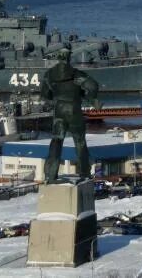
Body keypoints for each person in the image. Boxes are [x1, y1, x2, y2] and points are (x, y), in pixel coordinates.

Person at [41, 48, 101, 183]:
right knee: (80, 143)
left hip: (59, 112)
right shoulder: (76, 74)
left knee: (56, 142)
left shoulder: (49, 74)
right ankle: (84, 173)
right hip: (74, 110)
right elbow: (93, 86)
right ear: (69, 58)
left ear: (58, 58)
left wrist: (56, 99)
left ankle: (50, 175)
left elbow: (45, 96)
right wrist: (86, 96)